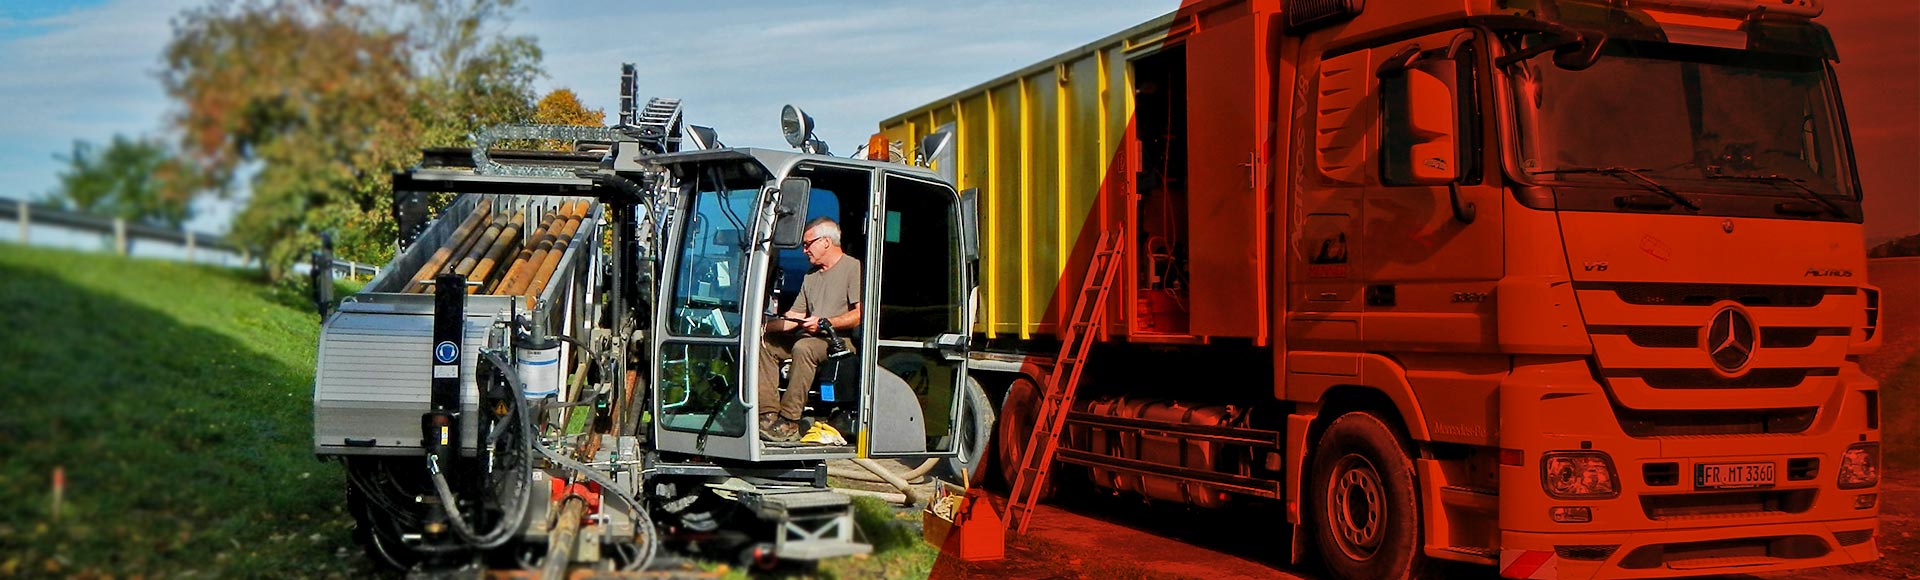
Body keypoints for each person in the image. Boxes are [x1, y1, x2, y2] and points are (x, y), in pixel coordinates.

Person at [758, 217, 862, 442]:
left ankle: (789, 420)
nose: (804, 250)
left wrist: (826, 322)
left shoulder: (853, 268)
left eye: (807, 244)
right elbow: (795, 317)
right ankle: (766, 413)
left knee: (804, 347)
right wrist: (761, 327)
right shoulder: (810, 276)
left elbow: (859, 315)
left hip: (837, 342)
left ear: (826, 242)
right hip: (808, 335)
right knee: (765, 342)